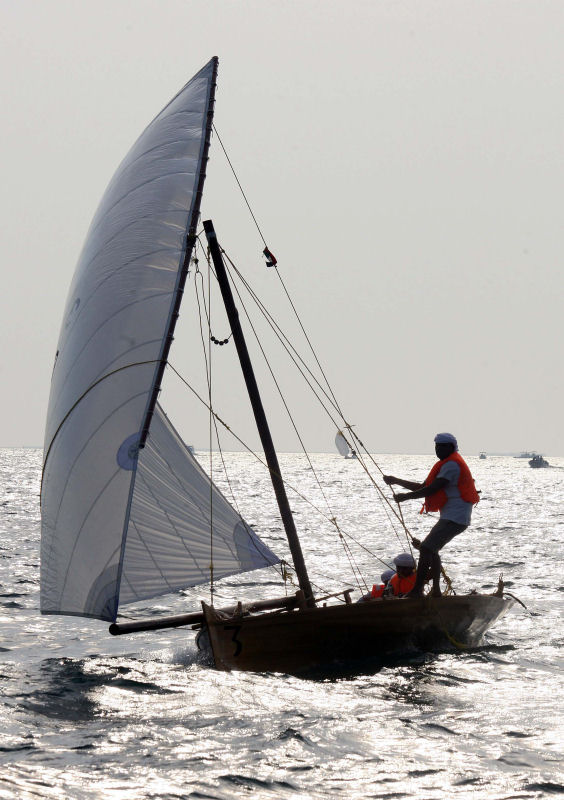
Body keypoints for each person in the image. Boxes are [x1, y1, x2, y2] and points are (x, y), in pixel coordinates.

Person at [383, 432, 480, 597]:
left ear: (451, 448)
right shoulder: (444, 465)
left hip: (456, 517)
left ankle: (417, 591)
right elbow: (422, 486)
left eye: (442, 446)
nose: (438, 449)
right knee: (432, 550)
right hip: (452, 517)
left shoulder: (452, 465)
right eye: (436, 446)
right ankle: (435, 590)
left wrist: (405, 498)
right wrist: (396, 481)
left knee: (426, 548)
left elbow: (433, 489)